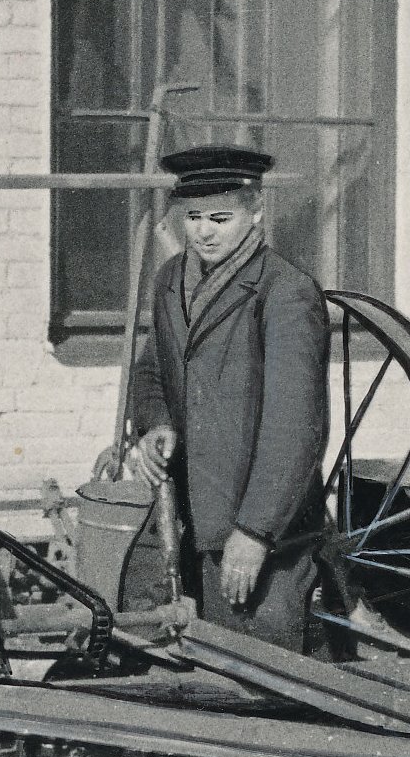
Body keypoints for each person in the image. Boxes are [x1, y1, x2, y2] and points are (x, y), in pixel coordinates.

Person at [128, 145, 330, 655]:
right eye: (192, 218)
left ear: (257, 211)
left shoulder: (285, 292)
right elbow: (152, 370)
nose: (204, 232)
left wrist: (256, 531)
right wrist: (156, 422)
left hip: (258, 536)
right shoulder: (171, 280)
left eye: (221, 217)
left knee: (259, 682)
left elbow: (297, 427)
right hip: (180, 519)